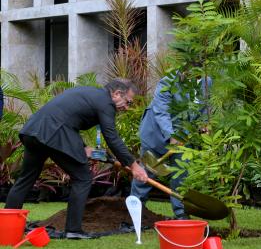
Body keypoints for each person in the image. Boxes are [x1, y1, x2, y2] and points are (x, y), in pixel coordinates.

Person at [5, 79, 148, 239]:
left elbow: (68, 119)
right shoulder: (106, 102)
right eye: (127, 102)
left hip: (33, 131)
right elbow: (112, 138)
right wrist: (134, 166)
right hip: (53, 132)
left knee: (26, 179)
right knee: (83, 178)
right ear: (116, 94)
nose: (127, 107)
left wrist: (83, 147)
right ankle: (73, 230)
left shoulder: (91, 94)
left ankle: (7, 225)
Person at [131, 71, 210, 220]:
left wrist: (204, 123)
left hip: (184, 137)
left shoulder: (207, 81)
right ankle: (134, 214)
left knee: (181, 174)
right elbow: (161, 112)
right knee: (146, 174)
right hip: (156, 134)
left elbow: (205, 105)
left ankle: (181, 214)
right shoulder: (168, 82)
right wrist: (171, 135)